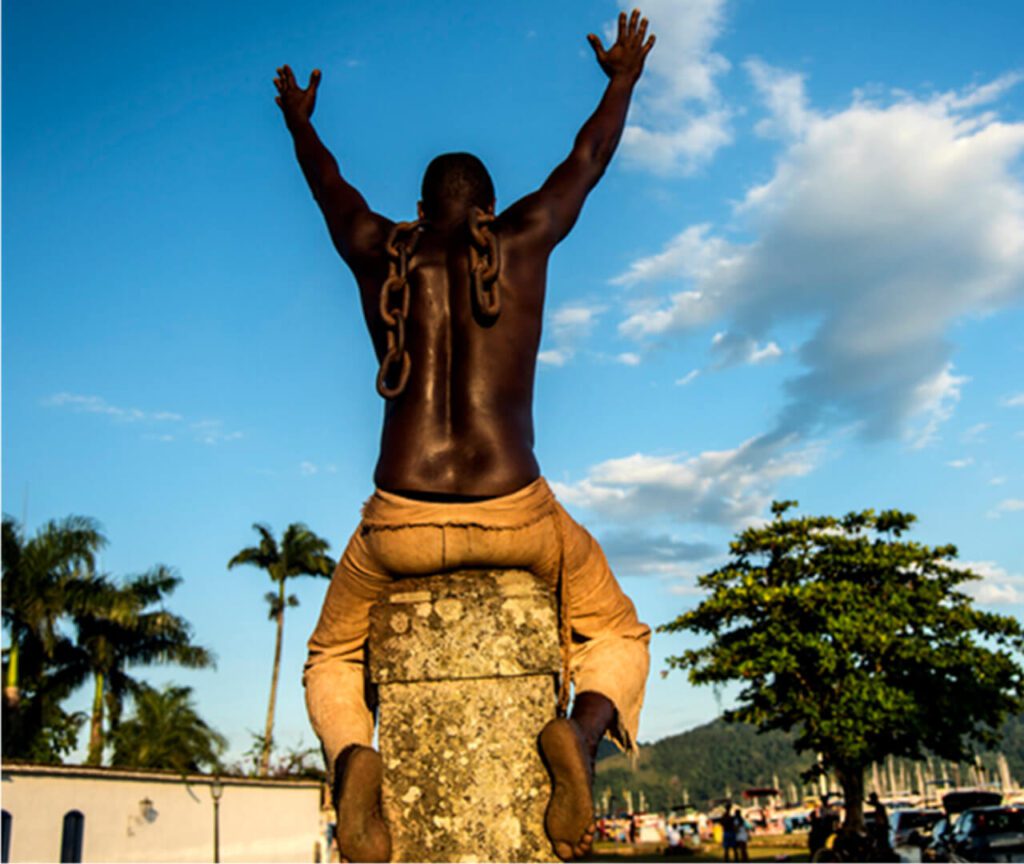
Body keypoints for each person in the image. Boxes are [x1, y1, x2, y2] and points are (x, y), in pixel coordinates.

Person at [274, 9, 656, 863]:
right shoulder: (521, 240)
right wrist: (622, 78)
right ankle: (580, 740)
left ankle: (353, 764)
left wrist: (302, 124)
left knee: (330, 657)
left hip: (397, 526)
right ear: (489, 206)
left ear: (419, 208)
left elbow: (330, 191)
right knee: (618, 632)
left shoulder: (383, 250)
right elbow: (585, 163)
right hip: (518, 515)